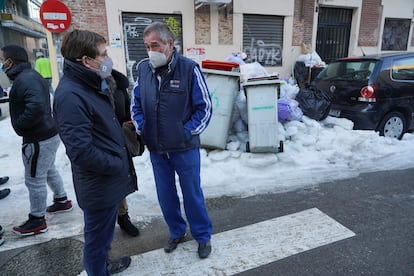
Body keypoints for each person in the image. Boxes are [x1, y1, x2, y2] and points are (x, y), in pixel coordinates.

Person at [53, 29, 137, 275]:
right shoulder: (70, 95)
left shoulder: (89, 83)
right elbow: (80, 150)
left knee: (103, 237)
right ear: (86, 61)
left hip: (106, 181)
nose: (108, 59)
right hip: (99, 183)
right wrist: (116, 164)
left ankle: (103, 266)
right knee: (96, 242)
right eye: (103, 55)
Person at [131, 21, 213, 259]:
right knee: (165, 194)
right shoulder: (144, 70)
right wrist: (142, 127)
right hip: (157, 148)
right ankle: (176, 231)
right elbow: (136, 103)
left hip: (184, 148)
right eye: (147, 46)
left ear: (169, 44)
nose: (150, 51)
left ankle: (202, 236)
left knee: (192, 194)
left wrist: (186, 132)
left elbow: (205, 107)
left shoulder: (189, 69)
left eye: (154, 45)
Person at [0, 45, 72, 236]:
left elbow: (37, 107)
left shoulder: (25, 79)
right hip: (47, 134)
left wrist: (21, 125)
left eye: (2, 59)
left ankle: (37, 220)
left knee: (34, 179)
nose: (1, 63)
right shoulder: (29, 76)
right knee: (48, 169)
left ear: (10, 61)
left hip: (38, 138)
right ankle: (62, 200)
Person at [108, 69, 140, 237]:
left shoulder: (118, 84)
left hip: (118, 140)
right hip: (98, 142)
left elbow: (127, 111)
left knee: (120, 179)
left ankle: (123, 216)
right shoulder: (85, 86)